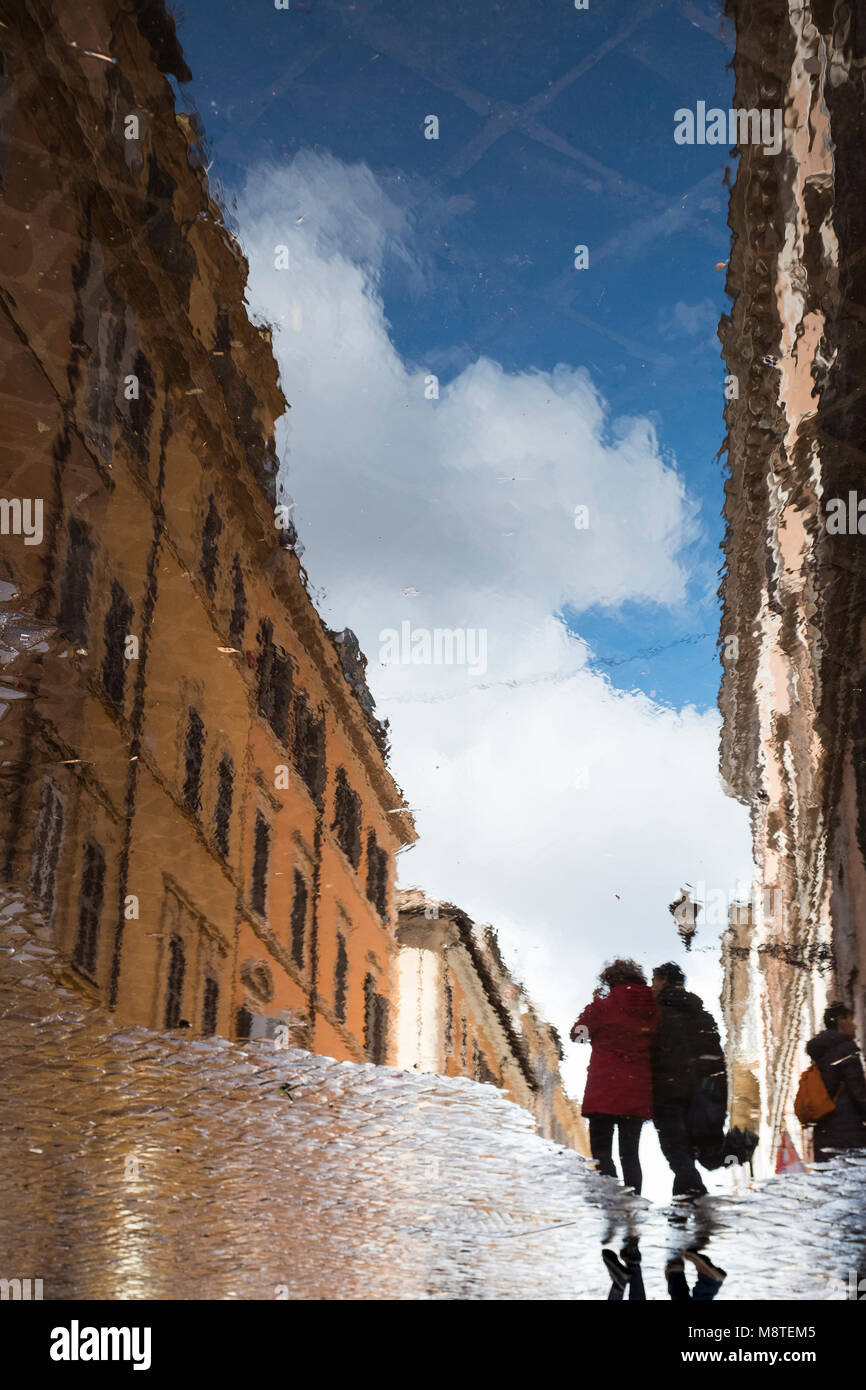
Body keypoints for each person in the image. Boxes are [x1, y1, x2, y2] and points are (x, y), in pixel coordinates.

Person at [570, 959, 657, 1194]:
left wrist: (594, 1004)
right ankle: (633, 1204)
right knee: (630, 1155)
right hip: (637, 1089)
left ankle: (613, 1201)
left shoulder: (603, 1006)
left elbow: (577, 1035)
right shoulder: (653, 1007)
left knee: (601, 1153)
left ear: (610, 980)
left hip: (604, 1089)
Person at [650, 962, 727, 1198]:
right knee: (686, 1148)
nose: (651, 986)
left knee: (674, 1147)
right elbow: (716, 1055)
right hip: (701, 1089)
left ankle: (695, 1190)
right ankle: (683, 1199)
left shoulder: (655, 1014)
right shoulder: (701, 1014)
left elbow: (650, 1053)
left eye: (654, 981)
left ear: (664, 981)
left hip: (667, 1091)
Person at [805, 1002, 866, 1164]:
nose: (854, 1026)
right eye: (851, 1020)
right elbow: (858, 1092)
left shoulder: (821, 1052)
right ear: (840, 1020)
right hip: (848, 1128)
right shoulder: (846, 1049)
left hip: (824, 1129)